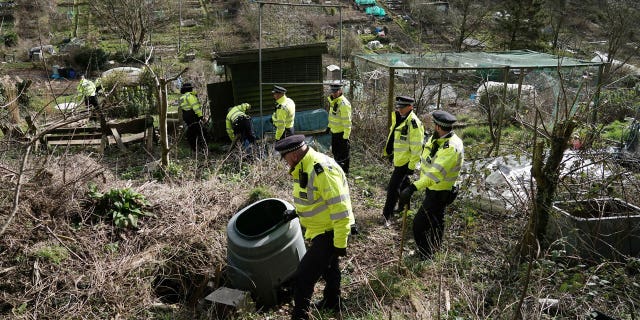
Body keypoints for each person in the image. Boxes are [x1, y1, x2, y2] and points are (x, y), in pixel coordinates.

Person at [275, 135, 355, 320]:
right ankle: (332, 301)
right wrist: (296, 212)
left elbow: (340, 209)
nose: (285, 162)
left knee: (304, 276)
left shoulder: (321, 170)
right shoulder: (303, 166)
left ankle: (300, 316)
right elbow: (313, 198)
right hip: (321, 229)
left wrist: (340, 243)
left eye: (284, 157)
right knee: (330, 267)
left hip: (332, 231)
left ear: (293, 155)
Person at [398, 110, 464, 260]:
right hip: (433, 189)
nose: (433, 127)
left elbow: (434, 175)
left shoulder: (451, 148)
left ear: (439, 127)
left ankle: (425, 254)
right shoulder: (436, 139)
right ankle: (433, 249)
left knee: (419, 225)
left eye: (435, 125)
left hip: (440, 192)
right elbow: (427, 160)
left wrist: (413, 187)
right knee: (436, 221)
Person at [381, 96, 424, 226]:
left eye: (402, 107)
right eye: (398, 107)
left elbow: (417, 148)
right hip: (398, 160)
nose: (399, 109)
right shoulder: (400, 118)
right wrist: (389, 153)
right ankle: (405, 208)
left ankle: (386, 215)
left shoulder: (413, 123)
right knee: (404, 184)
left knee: (392, 188)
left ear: (410, 107)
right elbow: (394, 138)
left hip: (405, 163)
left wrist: (411, 166)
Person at [327, 83, 352, 175]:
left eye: (336, 91)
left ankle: (345, 172)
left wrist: (346, 137)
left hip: (342, 134)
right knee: (335, 152)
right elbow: (332, 116)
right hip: (334, 132)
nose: (334, 93)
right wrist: (329, 126)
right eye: (332, 91)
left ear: (340, 91)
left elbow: (347, 122)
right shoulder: (333, 101)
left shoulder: (343, 103)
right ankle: (338, 170)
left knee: (343, 155)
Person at [179, 83, 206, 152]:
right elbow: (195, 107)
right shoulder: (190, 96)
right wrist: (201, 116)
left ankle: (194, 148)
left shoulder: (182, 97)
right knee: (200, 131)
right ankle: (203, 148)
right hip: (192, 115)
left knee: (191, 132)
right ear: (190, 89)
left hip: (186, 115)